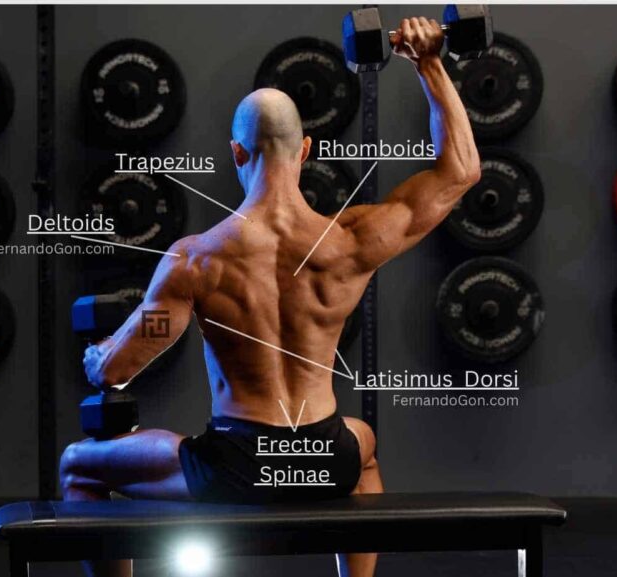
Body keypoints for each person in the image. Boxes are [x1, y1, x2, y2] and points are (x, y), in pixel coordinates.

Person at [59, 17, 480, 577]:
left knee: (80, 465)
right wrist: (429, 63)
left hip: (235, 464)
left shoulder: (197, 260)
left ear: (237, 153)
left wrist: (103, 354)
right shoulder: (352, 242)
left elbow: (118, 370)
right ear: (305, 149)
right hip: (323, 458)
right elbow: (461, 171)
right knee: (364, 446)